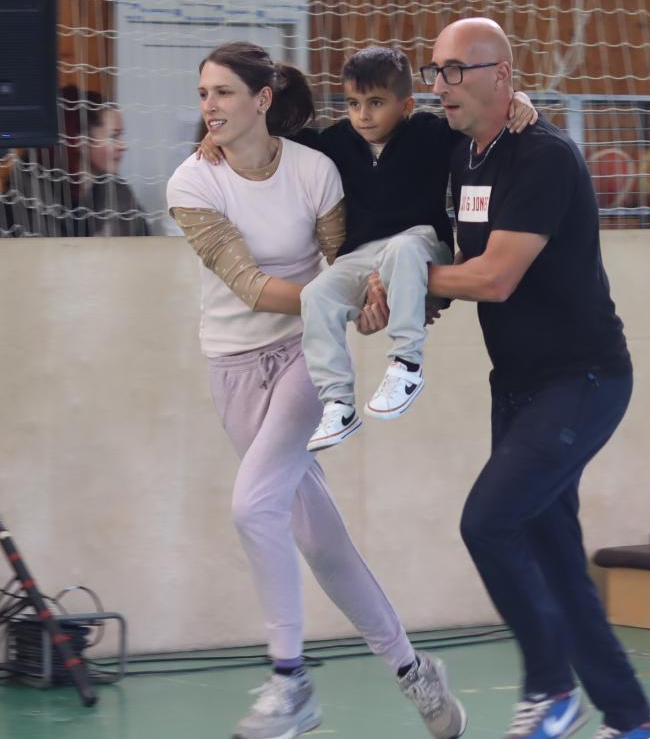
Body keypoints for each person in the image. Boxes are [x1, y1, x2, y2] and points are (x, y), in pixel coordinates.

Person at [164, 41, 465, 739]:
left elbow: (345, 262)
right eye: (203, 93)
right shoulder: (192, 181)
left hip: (303, 354)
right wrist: (342, 298)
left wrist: (372, 299)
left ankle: (290, 679)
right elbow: (250, 286)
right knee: (317, 537)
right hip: (232, 365)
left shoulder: (315, 169)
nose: (209, 106)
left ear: (262, 99)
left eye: (223, 92)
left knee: (253, 504)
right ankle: (412, 669)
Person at [424, 18, 650, 739]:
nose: (441, 85)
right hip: (519, 384)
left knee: (488, 520)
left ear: (502, 75)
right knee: (554, 551)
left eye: (456, 70)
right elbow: (460, 257)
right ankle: (633, 718)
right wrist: (418, 291)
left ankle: (551, 687)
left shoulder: (545, 157)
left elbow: (496, 277)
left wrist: (408, 282)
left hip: (583, 380)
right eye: (435, 71)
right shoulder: (463, 154)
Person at [203, 47, 538, 450]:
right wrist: (219, 136)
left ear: (405, 106)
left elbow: (482, 122)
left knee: (402, 251)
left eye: (376, 103)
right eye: (353, 103)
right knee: (317, 296)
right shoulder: (335, 142)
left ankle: (406, 363)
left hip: (421, 242)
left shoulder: (432, 134)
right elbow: (272, 141)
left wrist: (519, 99)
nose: (362, 115)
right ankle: (338, 402)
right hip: (361, 255)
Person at [2, 86, 151, 238]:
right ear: (80, 140)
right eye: (114, 136)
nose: (123, 146)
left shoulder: (117, 192)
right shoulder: (28, 195)